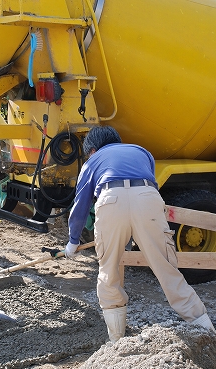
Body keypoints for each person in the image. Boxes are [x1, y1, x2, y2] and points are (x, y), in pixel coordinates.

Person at [65, 125, 215, 343]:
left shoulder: (93, 161)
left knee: (109, 272)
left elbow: (80, 205)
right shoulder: (141, 151)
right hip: (148, 197)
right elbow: (149, 183)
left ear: (93, 150)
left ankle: (116, 340)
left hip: (110, 200)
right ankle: (206, 330)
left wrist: (72, 241)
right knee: (167, 269)